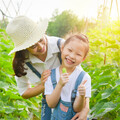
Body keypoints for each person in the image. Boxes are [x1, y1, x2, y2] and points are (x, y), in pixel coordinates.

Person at [6, 16, 89, 120]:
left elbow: (81, 80)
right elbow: (24, 92)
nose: (40, 46)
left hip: (73, 97)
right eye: (33, 46)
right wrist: (44, 85)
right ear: (24, 48)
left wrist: (85, 109)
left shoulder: (63, 46)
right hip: (50, 99)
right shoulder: (22, 62)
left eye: (40, 39)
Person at [45, 34, 91, 120]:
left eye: (78, 54)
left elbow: (77, 108)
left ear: (83, 59)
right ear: (62, 48)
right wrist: (60, 85)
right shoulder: (50, 75)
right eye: (69, 50)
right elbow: (51, 104)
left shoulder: (84, 78)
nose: (72, 56)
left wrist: (81, 95)